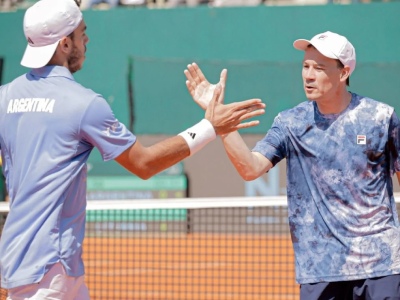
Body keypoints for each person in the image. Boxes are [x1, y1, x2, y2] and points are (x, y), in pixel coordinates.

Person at [0, 0, 265, 298]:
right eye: (82, 33)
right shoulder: (83, 103)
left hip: (29, 264)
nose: (87, 40)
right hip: (50, 270)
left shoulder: (4, 97)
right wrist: (209, 127)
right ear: (64, 44)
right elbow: (144, 163)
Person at [184, 31, 400, 299]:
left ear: (343, 73)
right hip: (319, 270)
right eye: (305, 66)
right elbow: (250, 168)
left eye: (319, 68)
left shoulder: (380, 117)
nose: (308, 76)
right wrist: (221, 124)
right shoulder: (290, 123)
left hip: (381, 266)